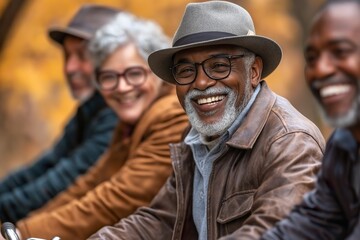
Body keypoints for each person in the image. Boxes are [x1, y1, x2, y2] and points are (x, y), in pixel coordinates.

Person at [88, 1, 326, 240]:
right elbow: (160, 220)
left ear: (253, 71)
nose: (201, 83)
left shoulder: (290, 141)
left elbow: (273, 233)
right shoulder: (196, 137)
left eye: (219, 66)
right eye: (186, 71)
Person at [2, 10, 189, 240]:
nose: (122, 87)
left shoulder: (172, 115)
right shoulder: (131, 121)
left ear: (156, 72)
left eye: (134, 74)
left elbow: (115, 200)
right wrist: (18, 229)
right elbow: (88, 184)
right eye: (109, 77)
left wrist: (22, 233)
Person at [0, 4, 119, 223]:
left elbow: (64, 180)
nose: (69, 67)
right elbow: (45, 166)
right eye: (67, 55)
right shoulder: (91, 109)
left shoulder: (118, 112)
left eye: (82, 56)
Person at [261, 0, 360, 239]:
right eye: (312, 58)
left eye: (341, 51)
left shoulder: (289, 136)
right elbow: (316, 221)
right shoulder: (342, 145)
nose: (321, 69)